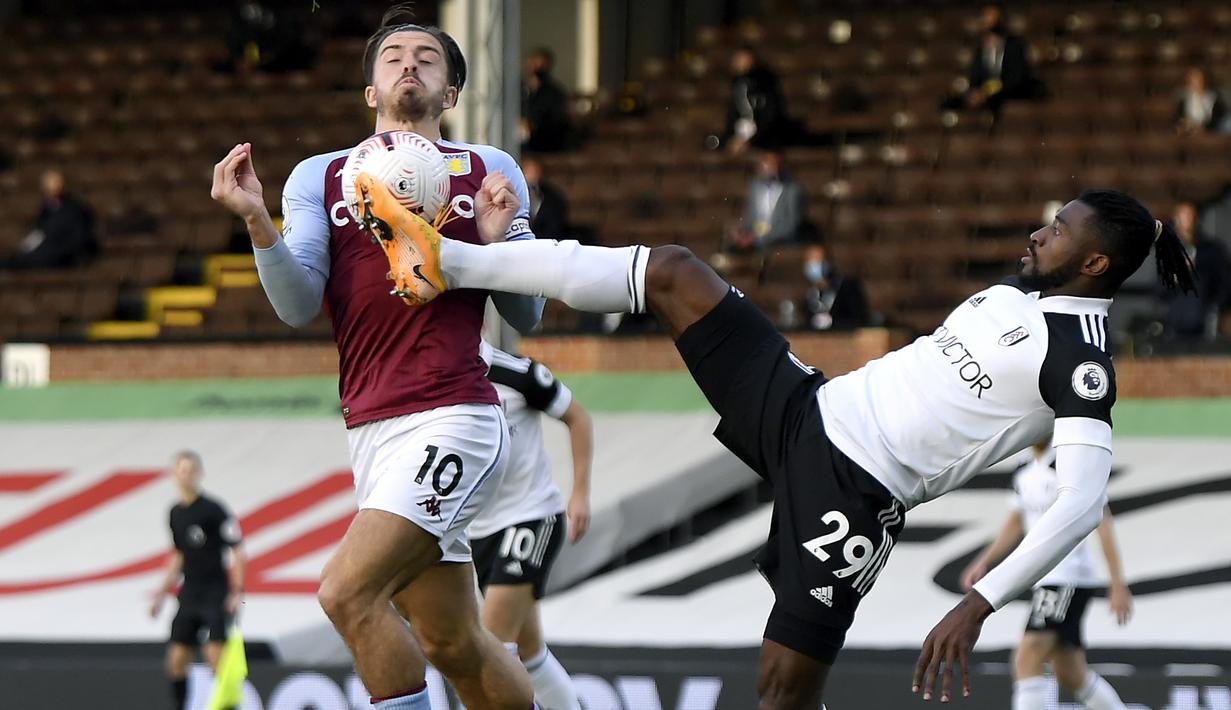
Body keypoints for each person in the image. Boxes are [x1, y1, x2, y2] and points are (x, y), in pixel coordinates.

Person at [348, 181, 1196, 707]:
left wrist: (977, 604)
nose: (1040, 232)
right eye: (1050, 221)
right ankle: (448, 260)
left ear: (1094, 267)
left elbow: (1081, 501)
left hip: (854, 498)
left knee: (781, 691)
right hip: (805, 407)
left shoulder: (1081, 363)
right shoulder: (1020, 287)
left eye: (1060, 230)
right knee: (675, 270)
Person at [209, 6, 545, 709]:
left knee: (346, 592)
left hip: (453, 414)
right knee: (455, 641)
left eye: (427, 57)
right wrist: (254, 219)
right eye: (392, 56)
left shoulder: (486, 168)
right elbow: (299, 304)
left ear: (451, 92)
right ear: (370, 92)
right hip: (372, 429)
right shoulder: (319, 175)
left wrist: (496, 246)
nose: (409, 64)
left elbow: (529, 313)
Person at [961, 436, 1133, 710]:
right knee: (1070, 672)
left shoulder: (1068, 462)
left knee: (1026, 656)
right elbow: (1018, 520)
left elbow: (1102, 520)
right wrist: (985, 561)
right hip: (1046, 577)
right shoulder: (1024, 466)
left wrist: (1117, 583)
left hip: (1067, 576)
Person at [469, 343, 593, 710]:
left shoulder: (516, 375)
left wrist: (580, 494)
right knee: (530, 653)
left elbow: (578, 417)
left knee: (492, 652)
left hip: (530, 516)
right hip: (479, 531)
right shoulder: (440, 379)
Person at [149, 451, 246, 710]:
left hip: (215, 590)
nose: (187, 475)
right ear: (174, 475)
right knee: (177, 659)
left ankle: (227, 706)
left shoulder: (214, 510)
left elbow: (236, 549)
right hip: (190, 591)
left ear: (199, 473)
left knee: (216, 657)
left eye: (191, 470)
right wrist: (160, 593)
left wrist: (237, 591)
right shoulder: (175, 513)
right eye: (182, 470)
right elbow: (178, 554)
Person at [945, 5, 1043, 116]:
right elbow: (975, 76)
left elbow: (1017, 77)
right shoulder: (981, 48)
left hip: (1008, 92)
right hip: (985, 92)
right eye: (985, 17)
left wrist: (989, 93)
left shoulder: (1014, 45)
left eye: (991, 17)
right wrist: (976, 92)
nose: (986, 20)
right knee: (951, 102)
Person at [1161, 200, 1229, 339]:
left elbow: (1225, 284)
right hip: (1176, 324)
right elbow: (1159, 290)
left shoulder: (1212, 250)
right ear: (1176, 219)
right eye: (1184, 216)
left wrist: (1215, 308)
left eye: (1191, 216)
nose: (1188, 220)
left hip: (1206, 322)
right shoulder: (1168, 251)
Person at [3, 169, 96, 271]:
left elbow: (78, 237)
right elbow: (39, 231)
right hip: (46, 248)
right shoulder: (46, 209)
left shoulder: (74, 208)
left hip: (62, 252)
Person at [721, 46, 793, 154]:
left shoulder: (764, 83)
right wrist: (734, 138)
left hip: (764, 137)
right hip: (742, 134)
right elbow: (734, 115)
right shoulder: (738, 85)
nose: (737, 62)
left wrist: (751, 141)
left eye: (741, 59)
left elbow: (769, 115)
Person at [800, 243, 870, 330]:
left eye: (817, 260)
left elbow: (859, 319)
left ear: (828, 262)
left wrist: (833, 322)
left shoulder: (847, 287)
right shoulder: (811, 293)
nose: (813, 265)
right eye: (809, 261)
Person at [521, 46, 572, 153]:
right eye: (533, 62)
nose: (535, 66)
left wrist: (533, 126)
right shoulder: (517, 90)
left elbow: (556, 122)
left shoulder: (554, 93)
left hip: (544, 143)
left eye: (540, 64)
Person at [522, 156, 569, 241]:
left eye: (534, 172)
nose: (531, 176)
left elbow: (556, 225)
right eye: (527, 172)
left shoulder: (552, 197)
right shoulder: (514, 195)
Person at [1174, 67, 1226, 135]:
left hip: (1210, 133)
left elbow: (1217, 120)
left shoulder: (1214, 98)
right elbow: (1178, 118)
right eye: (1191, 80)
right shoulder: (1184, 99)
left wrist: (1203, 127)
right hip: (1189, 134)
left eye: (1197, 80)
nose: (1194, 83)